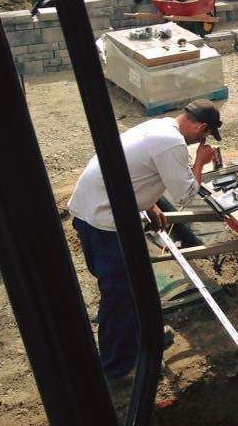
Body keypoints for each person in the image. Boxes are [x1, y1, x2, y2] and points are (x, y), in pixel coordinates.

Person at [68, 100, 223, 383]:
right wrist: (201, 161)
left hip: (95, 209)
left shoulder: (159, 126)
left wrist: (149, 204)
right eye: (203, 137)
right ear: (202, 128)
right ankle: (117, 368)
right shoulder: (173, 145)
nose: (201, 142)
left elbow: (131, 172)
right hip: (105, 223)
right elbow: (185, 194)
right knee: (120, 295)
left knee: (136, 280)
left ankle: (145, 334)